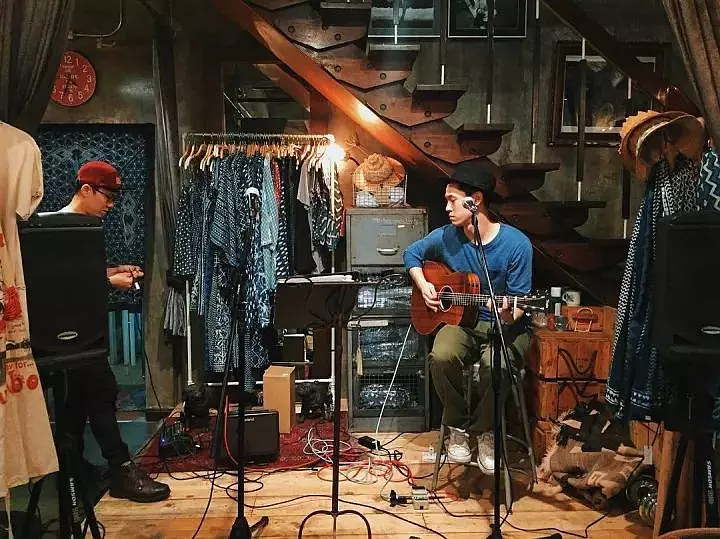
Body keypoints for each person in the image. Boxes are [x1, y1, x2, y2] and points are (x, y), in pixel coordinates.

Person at [403, 161, 533, 472]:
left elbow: (517, 307)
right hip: (462, 321)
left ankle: (486, 432)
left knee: (496, 365)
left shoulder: (517, 245)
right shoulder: (447, 236)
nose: (446, 208)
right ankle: (458, 427)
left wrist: (508, 313)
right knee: (441, 356)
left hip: (504, 325)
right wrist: (424, 285)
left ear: (476, 200)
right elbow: (411, 254)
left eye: (452, 200)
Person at [58, 160, 170, 503]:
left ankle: (73, 472)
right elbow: (58, 282)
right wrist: (111, 281)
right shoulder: (61, 228)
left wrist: (114, 270)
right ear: (86, 189)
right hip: (70, 337)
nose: (111, 204)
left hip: (85, 333)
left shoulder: (86, 226)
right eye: (106, 196)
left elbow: (79, 272)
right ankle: (120, 470)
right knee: (101, 394)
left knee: (76, 406)